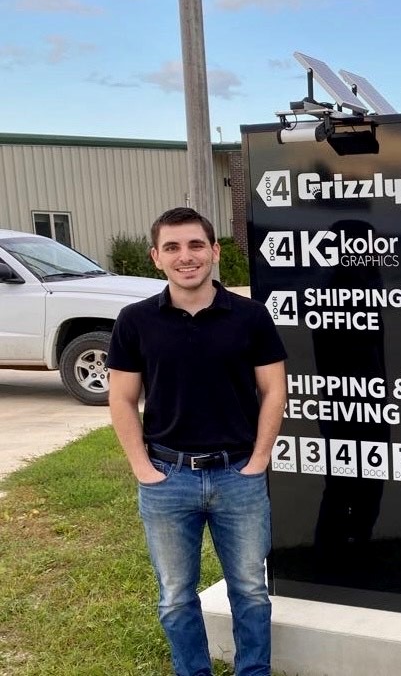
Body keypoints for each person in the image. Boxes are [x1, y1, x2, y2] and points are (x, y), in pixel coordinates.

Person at [108, 207, 287, 676]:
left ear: (214, 251)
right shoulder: (134, 321)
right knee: (174, 595)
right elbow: (122, 400)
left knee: (250, 590)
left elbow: (274, 390)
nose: (185, 257)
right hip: (167, 478)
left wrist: (260, 459)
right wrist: (143, 471)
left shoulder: (250, 317)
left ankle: (254, 672)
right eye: (172, 247)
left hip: (238, 476)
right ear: (156, 257)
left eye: (194, 245)